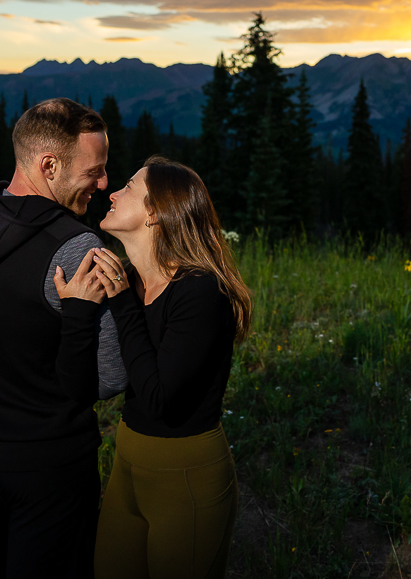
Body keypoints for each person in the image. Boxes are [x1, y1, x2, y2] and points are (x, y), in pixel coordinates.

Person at [0, 98, 126, 579]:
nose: (103, 185)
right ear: (49, 165)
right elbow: (107, 376)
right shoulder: (77, 246)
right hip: (49, 461)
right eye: (95, 171)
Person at [59, 156, 251, 579]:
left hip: (185, 479)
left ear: (155, 214)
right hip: (127, 465)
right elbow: (81, 387)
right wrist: (77, 309)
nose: (112, 192)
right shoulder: (128, 278)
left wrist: (124, 302)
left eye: (128, 187)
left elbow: (161, 398)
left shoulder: (202, 292)